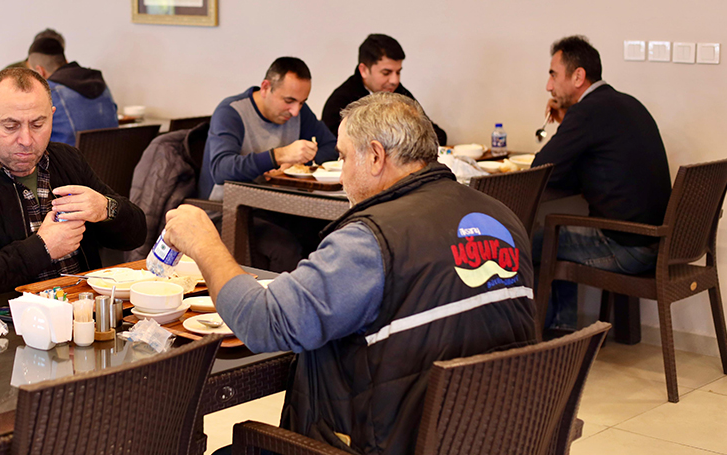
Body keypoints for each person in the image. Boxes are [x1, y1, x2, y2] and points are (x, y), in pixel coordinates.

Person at [166, 92, 535, 454]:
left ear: (375, 156)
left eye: (343, 157)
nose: (342, 175)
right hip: (487, 436)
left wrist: (205, 245)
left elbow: (264, 322)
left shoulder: (370, 241)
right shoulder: (500, 217)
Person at [0, 68, 146, 300]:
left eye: (38, 124)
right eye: (10, 126)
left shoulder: (67, 160)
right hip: (10, 324)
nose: (27, 140)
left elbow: (136, 236)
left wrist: (106, 208)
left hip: (85, 311)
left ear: (52, 116)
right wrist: (42, 248)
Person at [533, 35, 671, 330]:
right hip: (658, 240)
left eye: (553, 74)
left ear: (578, 76)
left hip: (627, 246)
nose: (549, 86)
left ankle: (553, 336)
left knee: (528, 241)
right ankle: (563, 329)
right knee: (553, 234)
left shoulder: (586, 111)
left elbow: (541, 170)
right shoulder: (627, 103)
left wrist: (569, 120)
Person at [198, 56, 337, 201]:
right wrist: (278, 156)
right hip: (230, 210)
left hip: (276, 204)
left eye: (301, 103)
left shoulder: (300, 113)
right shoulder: (231, 112)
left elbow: (332, 147)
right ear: (265, 88)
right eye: (289, 101)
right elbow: (221, 170)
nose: (295, 111)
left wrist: (298, 163)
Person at [321, 34, 447, 145]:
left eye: (398, 72)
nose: (394, 80)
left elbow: (434, 136)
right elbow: (334, 147)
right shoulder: (340, 101)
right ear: (364, 70)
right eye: (386, 73)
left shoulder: (400, 94)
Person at [27, 37, 119, 145]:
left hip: (68, 160)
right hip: (111, 159)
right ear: (66, 62)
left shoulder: (49, 92)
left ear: (40, 71)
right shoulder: (99, 82)